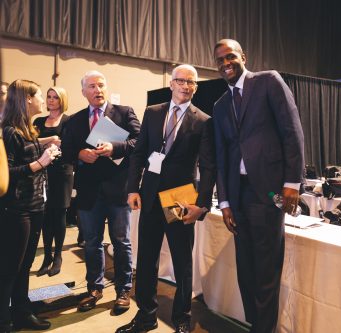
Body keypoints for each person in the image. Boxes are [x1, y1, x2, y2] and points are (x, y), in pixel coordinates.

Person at [212, 39, 304, 333]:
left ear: (243, 56)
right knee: (246, 269)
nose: (226, 63)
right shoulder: (220, 104)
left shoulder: (268, 82)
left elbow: (292, 131)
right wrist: (224, 202)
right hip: (237, 194)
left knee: (266, 267)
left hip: (269, 192)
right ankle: (257, 324)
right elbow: (222, 156)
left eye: (230, 57)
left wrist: (292, 183)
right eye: (220, 60)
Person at [115, 64, 216, 333]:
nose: (185, 86)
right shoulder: (153, 112)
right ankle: (146, 316)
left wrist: (202, 204)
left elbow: (208, 167)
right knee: (147, 259)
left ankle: (182, 317)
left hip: (180, 198)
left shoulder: (203, 120)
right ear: (171, 83)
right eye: (181, 81)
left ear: (195, 87)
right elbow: (138, 154)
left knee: (182, 260)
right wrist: (132, 189)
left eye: (191, 82)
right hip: (149, 193)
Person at [61, 70, 140, 314]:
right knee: (93, 243)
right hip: (88, 193)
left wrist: (115, 147)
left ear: (107, 87)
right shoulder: (74, 120)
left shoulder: (124, 113)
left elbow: (139, 142)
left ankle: (123, 290)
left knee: (121, 242)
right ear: (84, 92)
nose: (98, 90)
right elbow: (65, 150)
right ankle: (94, 288)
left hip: (118, 191)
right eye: (92, 86)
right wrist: (78, 155)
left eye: (101, 85)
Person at [0, 80, 62, 332]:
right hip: (17, 208)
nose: (43, 101)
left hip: (36, 204)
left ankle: (22, 312)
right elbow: (7, 171)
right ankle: (4, 320)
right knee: (10, 267)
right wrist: (40, 162)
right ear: (27, 98)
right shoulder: (9, 131)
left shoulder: (28, 129)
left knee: (25, 264)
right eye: (39, 95)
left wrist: (46, 147)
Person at [33, 87, 74, 277]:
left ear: (62, 100)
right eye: (48, 97)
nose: (50, 100)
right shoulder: (39, 121)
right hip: (42, 171)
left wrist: (54, 143)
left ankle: (58, 256)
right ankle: (47, 255)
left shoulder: (69, 121)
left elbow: (70, 146)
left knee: (59, 214)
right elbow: (32, 143)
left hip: (62, 173)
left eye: (55, 97)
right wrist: (50, 140)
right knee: (44, 215)